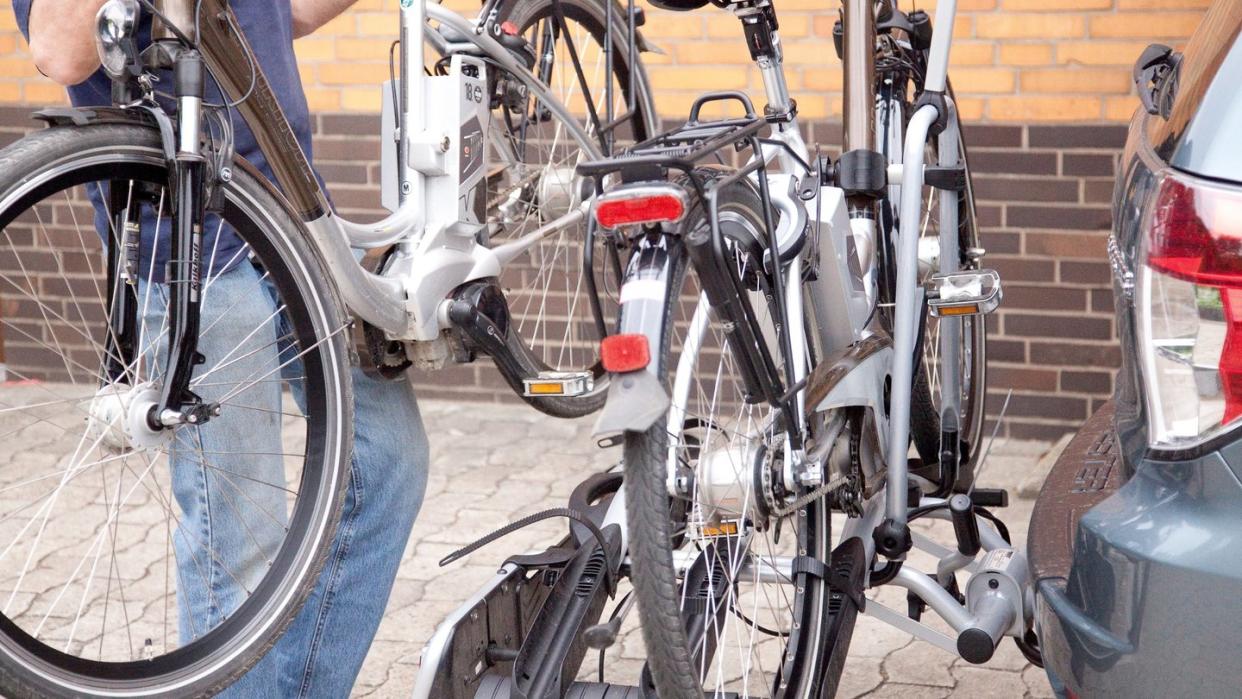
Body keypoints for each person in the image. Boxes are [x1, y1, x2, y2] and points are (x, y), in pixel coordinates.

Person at [10, 1, 429, 696]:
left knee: (388, 458)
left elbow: (282, 13)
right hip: (193, 246)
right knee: (241, 541)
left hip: (294, 213)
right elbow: (58, 49)